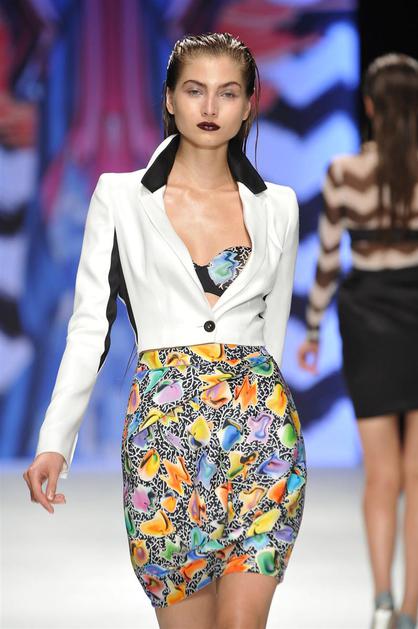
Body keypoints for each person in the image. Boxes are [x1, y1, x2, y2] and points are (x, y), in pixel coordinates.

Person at [23, 32, 306, 629]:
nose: (210, 107)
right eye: (195, 91)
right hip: (164, 442)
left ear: (248, 105)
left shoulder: (279, 205)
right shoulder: (120, 198)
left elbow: (273, 333)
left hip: (262, 437)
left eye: (228, 93)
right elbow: (89, 326)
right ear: (170, 99)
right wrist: (55, 439)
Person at [298, 53, 418, 629]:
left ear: (369, 105)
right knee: (416, 476)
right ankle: (412, 610)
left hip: (367, 318)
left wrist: (312, 330)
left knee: (382, 474)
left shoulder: (344, 171)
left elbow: (327, 260)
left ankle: (382, 602)